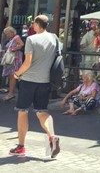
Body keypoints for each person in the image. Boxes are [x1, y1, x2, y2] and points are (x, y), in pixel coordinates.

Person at [10, 15, 61, 158]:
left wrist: (17, 74)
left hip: (28, 80)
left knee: (22, 111)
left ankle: (21, 146)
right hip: (45, 81)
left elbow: (27, 62)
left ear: (38, 25)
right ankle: (52, 136)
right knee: (41, 111)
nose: (32, 26)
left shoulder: (31, 39)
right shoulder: (54, 38)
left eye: (33, 23)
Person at [1, 26, 24, 102]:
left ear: (11, 32)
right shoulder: (12, 38)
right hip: (12, 60)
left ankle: (11, 93)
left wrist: (13, 49)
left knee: (13, 76)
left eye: (8, 33)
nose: (7, 35)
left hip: (14, 59)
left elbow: (21, 44)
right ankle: (10, 93)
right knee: (11, 77)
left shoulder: (16, 37)